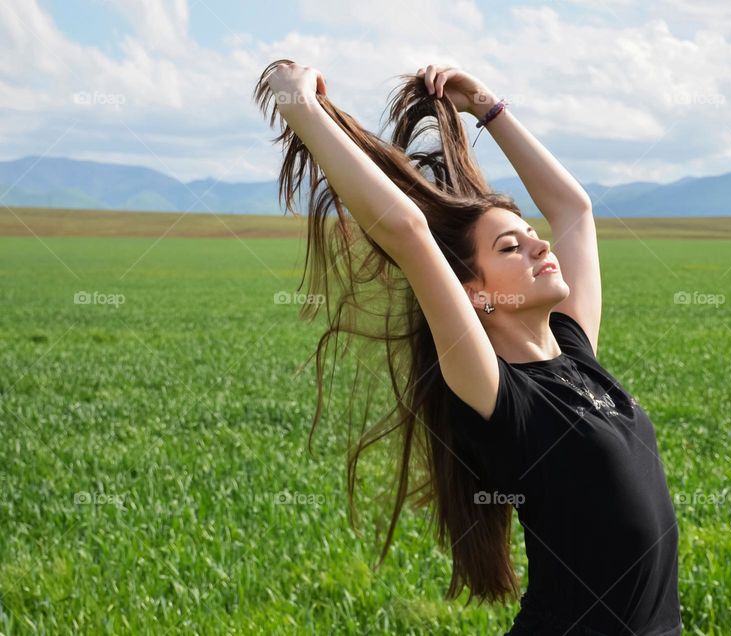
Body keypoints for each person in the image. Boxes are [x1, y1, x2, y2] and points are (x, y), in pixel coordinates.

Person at [255, 61, 682, 635]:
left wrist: (484, 105)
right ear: (474, 293)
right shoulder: (501, 397)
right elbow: (407, 231)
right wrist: (299, 107)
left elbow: (575, 212)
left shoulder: (576, 353)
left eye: (530, 234)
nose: (538, 245)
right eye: (511, 246)